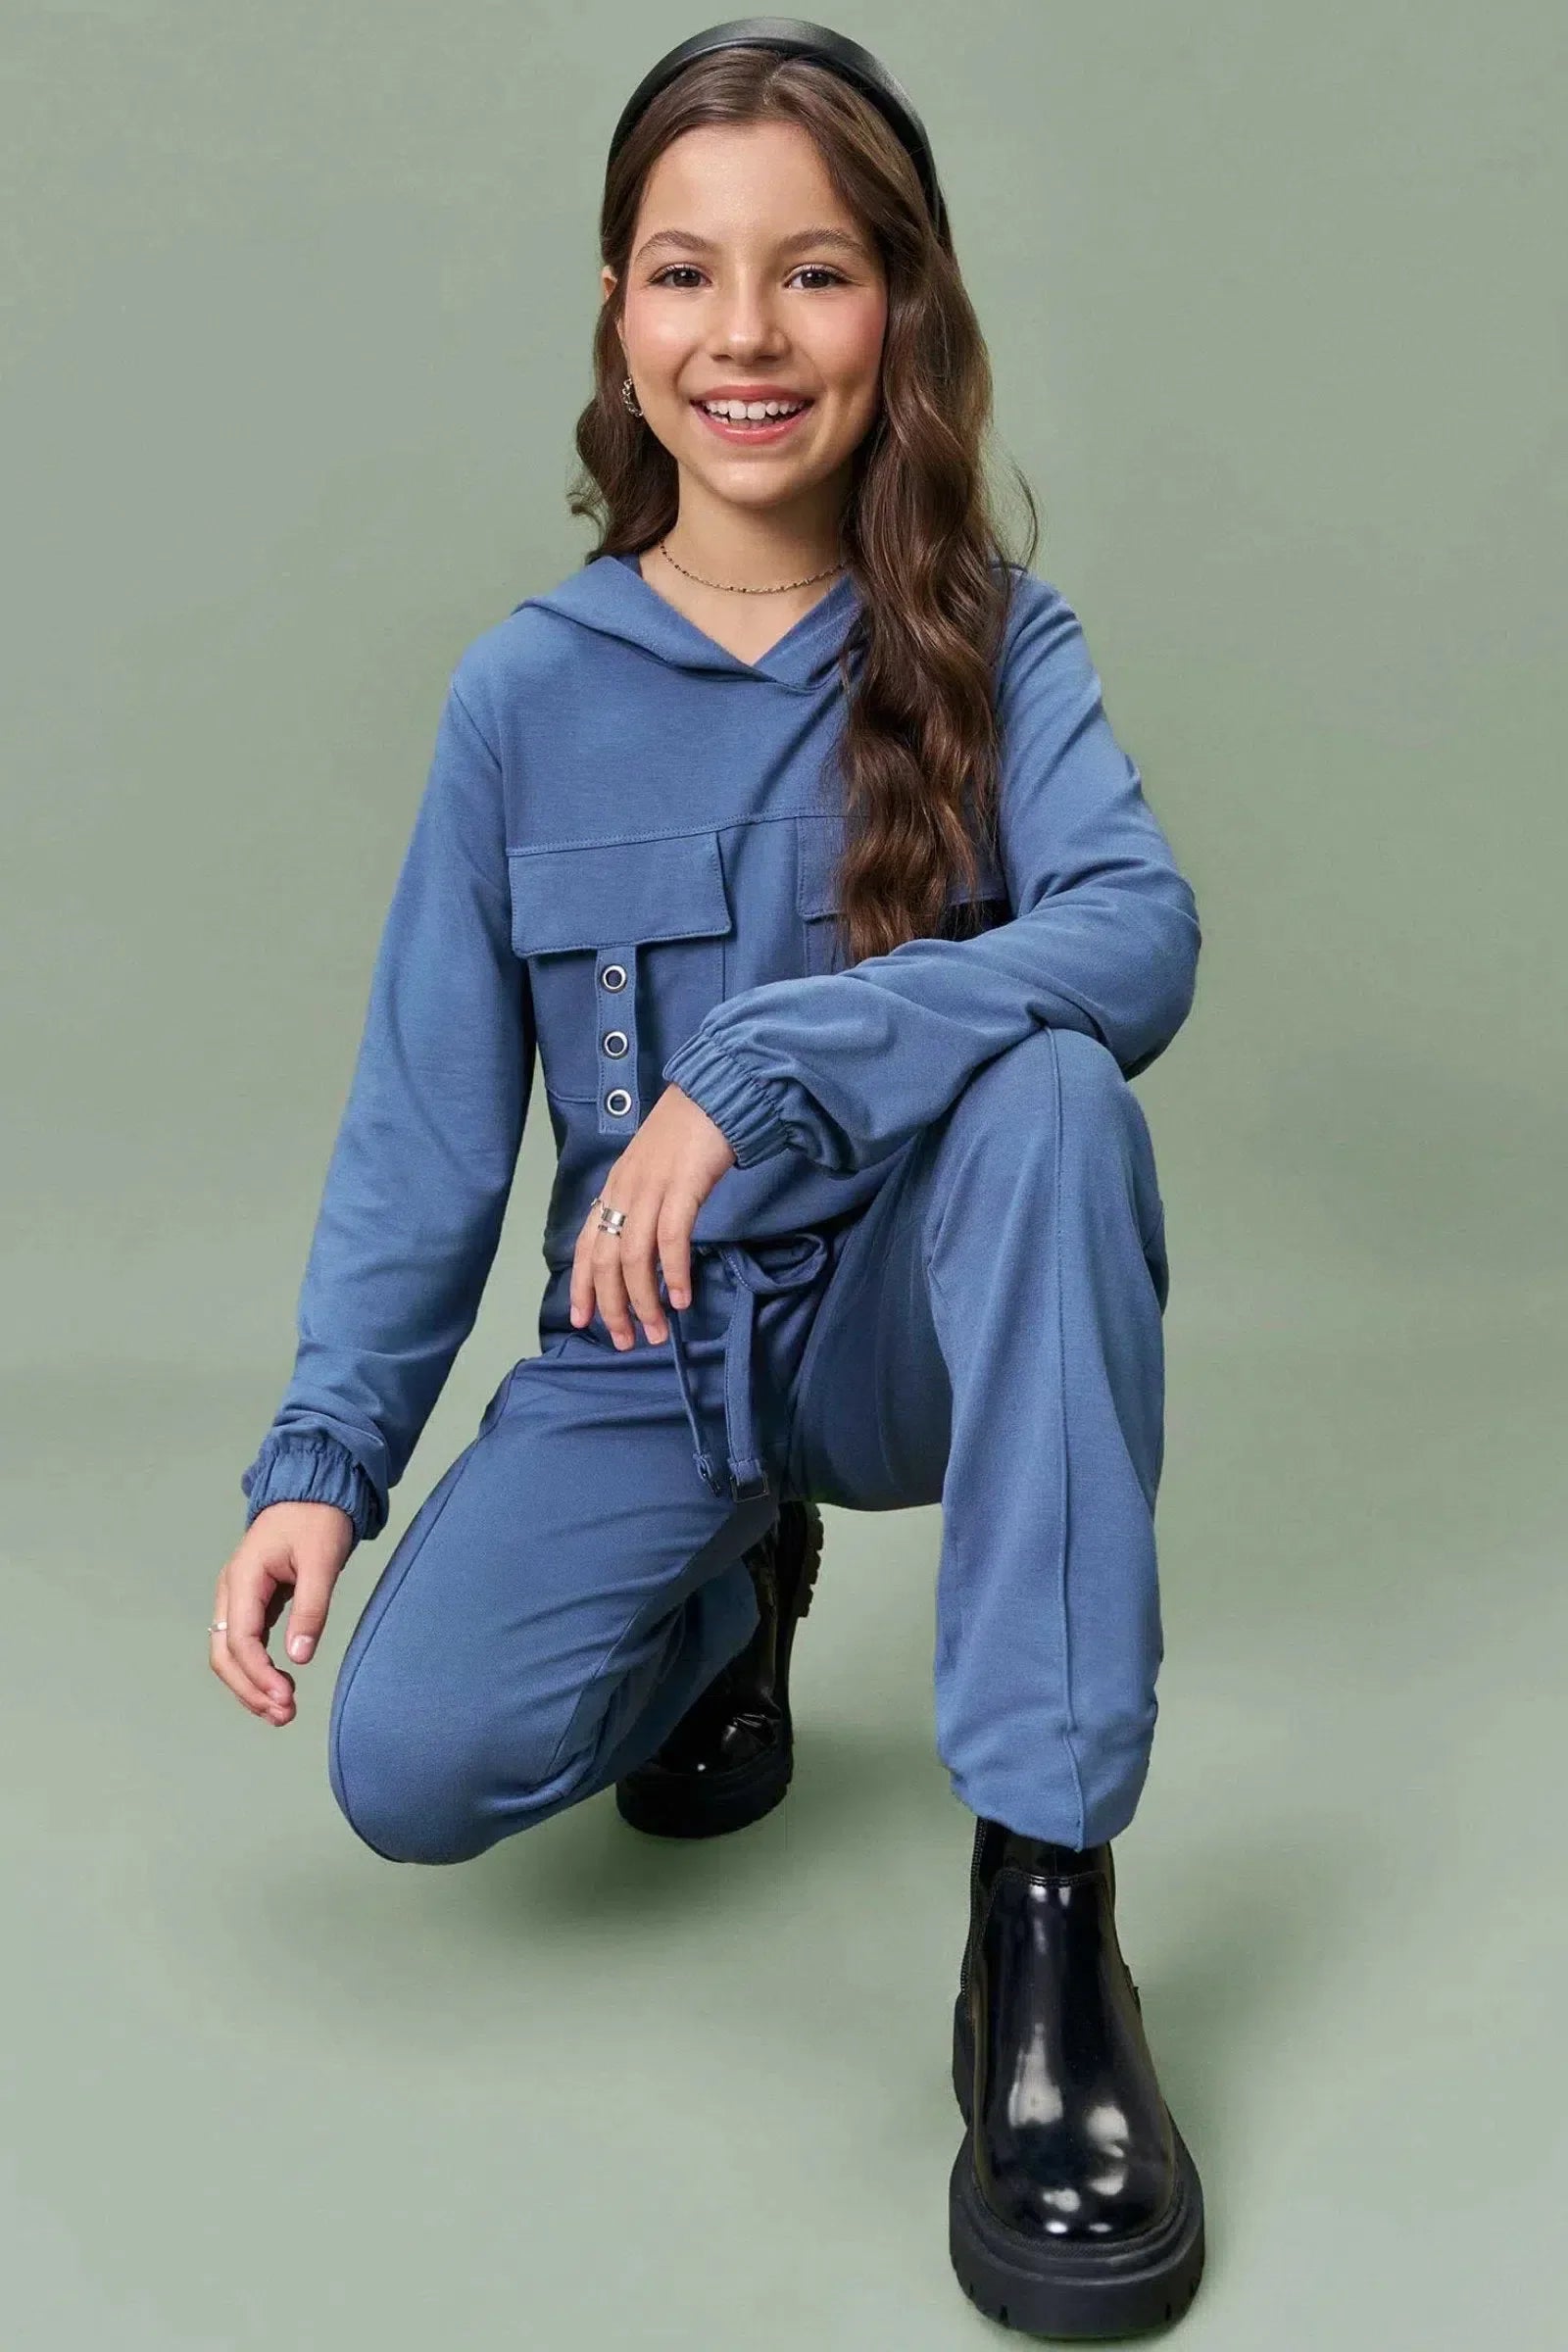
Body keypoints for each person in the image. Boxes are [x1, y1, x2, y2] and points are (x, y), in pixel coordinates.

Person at [209, 21, 1207, 2338]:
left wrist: (772, 1068)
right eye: (685, 273)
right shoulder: (521, 698)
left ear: (901, 308)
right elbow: (425, 1127)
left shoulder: (993, 644)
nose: (744, 336)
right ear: (616, 313)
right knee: (412, 1766)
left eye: (813, 272)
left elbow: (1134, 936)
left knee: (1057, 1102)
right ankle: (728, 1611)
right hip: (649, 1350)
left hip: (913, 1325)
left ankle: (1044, 1921)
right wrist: (324, 1464)